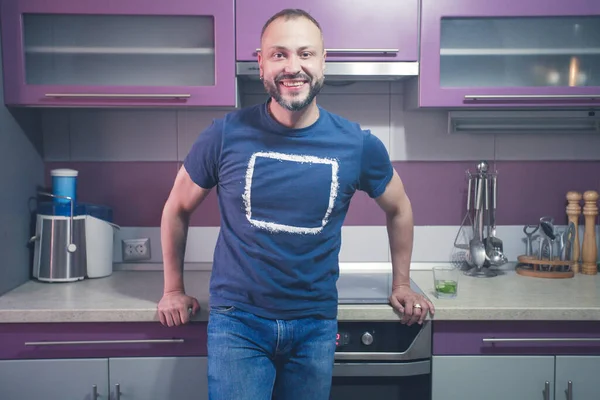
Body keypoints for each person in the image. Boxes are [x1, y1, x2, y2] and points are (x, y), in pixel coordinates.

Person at [157, 8, 435, 400]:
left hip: (315, 324)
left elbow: (399, 207)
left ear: (323, 61)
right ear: (261, 63)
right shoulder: (224, 135)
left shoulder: (357, 145)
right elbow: (177, 207)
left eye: (305, 54)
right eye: (279, 54)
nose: (293, 67)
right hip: (238, 323)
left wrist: (402, 284)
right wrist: (173, 289)